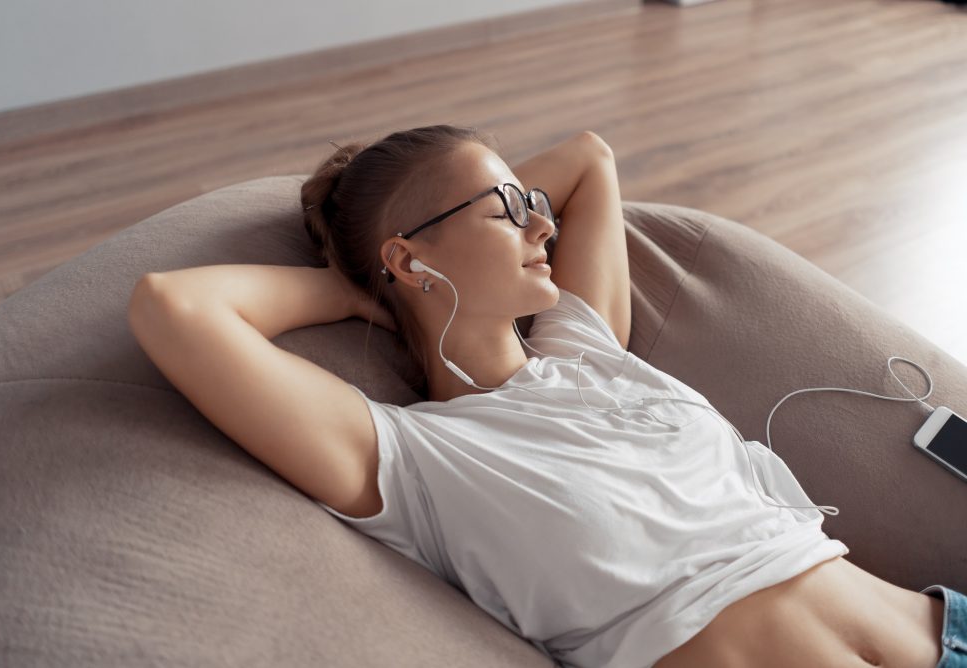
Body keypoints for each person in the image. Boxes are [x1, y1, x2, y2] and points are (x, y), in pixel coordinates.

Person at [132, 124, 962, 668]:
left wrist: (448, 242)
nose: (543, 226)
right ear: (409, 259)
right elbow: (176, 306)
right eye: (507, 211)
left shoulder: (581, 341)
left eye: (531, 205)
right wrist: (363, 290)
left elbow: (589, 157)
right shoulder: (415, 458)